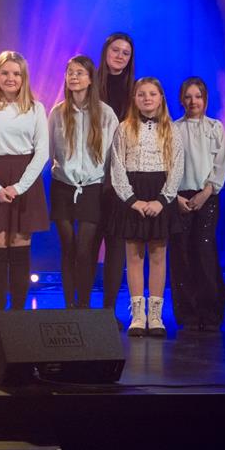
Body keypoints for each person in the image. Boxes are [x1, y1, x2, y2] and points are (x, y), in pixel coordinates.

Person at [0, 51, 49, 313]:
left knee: (19, 253)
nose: (10, 78)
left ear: (24, 77)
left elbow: (42, 152)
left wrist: (18, 187)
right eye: (5, 73)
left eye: (16, 73)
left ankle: (17, 318)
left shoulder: (36, 109)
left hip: (24, 182)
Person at [109, 77, 183, 337]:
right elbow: (117, 166)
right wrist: (132, 200)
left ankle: (155, 315)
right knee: (134, 256)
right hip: (133, 194)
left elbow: (177, 166)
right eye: (142, 94)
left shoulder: (171, 129)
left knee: (158, 255)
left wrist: (162, 200)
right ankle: (138, 315)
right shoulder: (124, 128)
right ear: (135, 99)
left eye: (152, 94)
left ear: (161, 98)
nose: (147, 98)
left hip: (160, 194)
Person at [49, 55, 119, 309]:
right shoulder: (57, 112)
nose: (74, 77)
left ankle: (84, 306)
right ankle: (70, 306)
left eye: (79, 72)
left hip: (92, 188)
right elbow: (48, 150)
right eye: (70, 72)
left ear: (91, 79)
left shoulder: (106, 113)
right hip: (63, 186)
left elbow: (114, 155)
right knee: (68, 247)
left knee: (84, 249)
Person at [171, 77, 225, 331]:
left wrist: (206, 192)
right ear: (181, 100)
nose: (193, 101)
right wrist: (176, 197)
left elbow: (220, 164)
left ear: (205, 99)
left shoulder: (215, 127)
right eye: (188, 96)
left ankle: (210, 312)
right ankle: (188, 314)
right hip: (180, 197)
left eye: (198, 96)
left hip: (207, 196)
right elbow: (167, 166)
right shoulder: (173, 129)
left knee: (204, 252)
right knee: (181, 254)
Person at [96, 32, 135, 323]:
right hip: (90, 173)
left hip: (122, 174)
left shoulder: (136, 90)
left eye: (126, 52)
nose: (120, 56)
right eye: (116, 50)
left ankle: (109, 310)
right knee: (87, 244)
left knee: (116, 245)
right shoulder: (89, 83)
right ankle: (81, 309)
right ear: (105, 51)